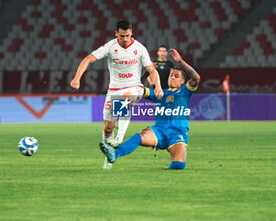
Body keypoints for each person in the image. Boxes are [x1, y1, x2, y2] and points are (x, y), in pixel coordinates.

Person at [70, 20, 164, 170]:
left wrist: (158, 86)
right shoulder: (110, 47)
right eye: (122, 36)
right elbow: (88, 59)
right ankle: (109, 155)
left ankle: (119, 138)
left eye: (127, 35)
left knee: (127, 97)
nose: (125, 39)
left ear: (131, 32)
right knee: (107, 129)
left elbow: (152, 70)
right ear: (116, 33)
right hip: (114, 90)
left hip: (134, 87)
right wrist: (76, 78)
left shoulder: (140, 48)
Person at [99, 48, 200, 170]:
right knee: (139, 137)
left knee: (178, 165)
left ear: (183, 81)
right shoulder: (160, 93)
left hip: (178, 132)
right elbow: (138, 87)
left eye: (176, 76)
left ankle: (170, 166)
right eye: (171, 75)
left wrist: (180, 61)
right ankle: (114, 153)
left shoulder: (185, 91)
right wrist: (147, 71)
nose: (172, 77)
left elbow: (196, 78)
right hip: (159, 131)